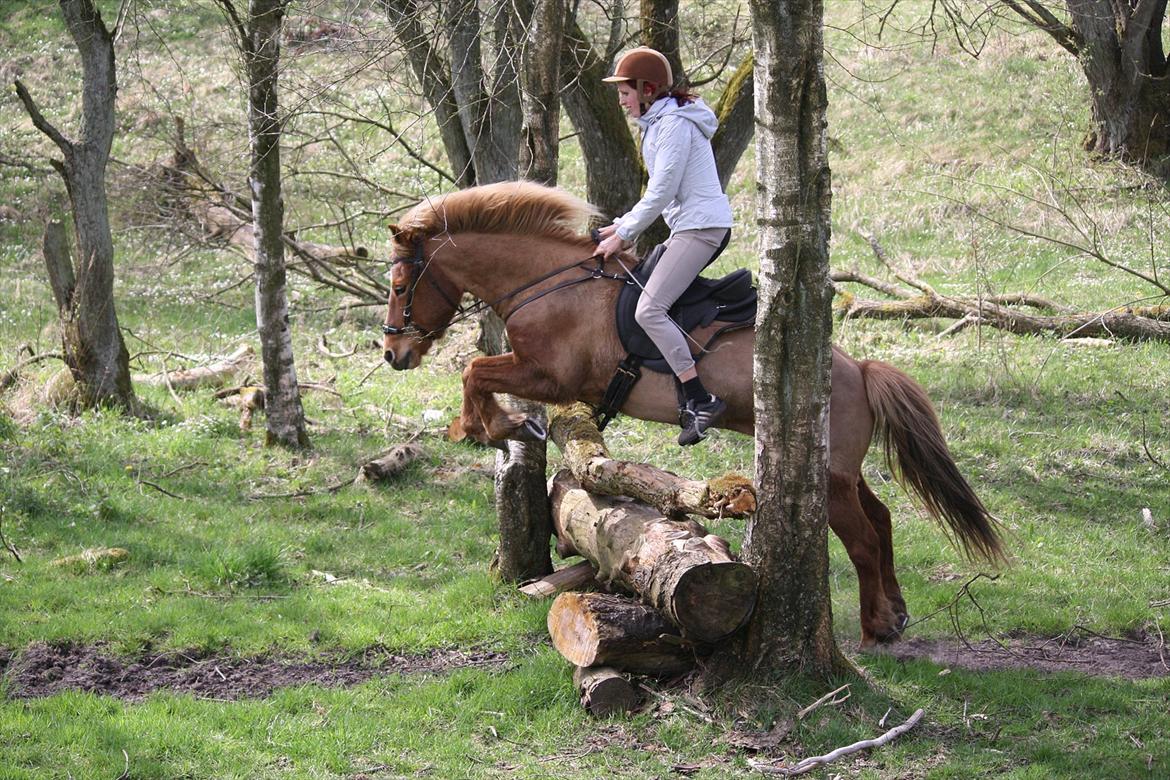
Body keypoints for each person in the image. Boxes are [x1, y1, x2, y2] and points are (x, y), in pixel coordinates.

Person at [596, 47, 734, 446]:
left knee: (649, 310)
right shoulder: (659, 122)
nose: (621, 100)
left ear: (647, 88)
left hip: (701, 230)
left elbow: (662, 191)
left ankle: (700, 399)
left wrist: (625, 234)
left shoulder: (673, 123)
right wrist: (621, 226)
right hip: (689, 228)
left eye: (625, 92)